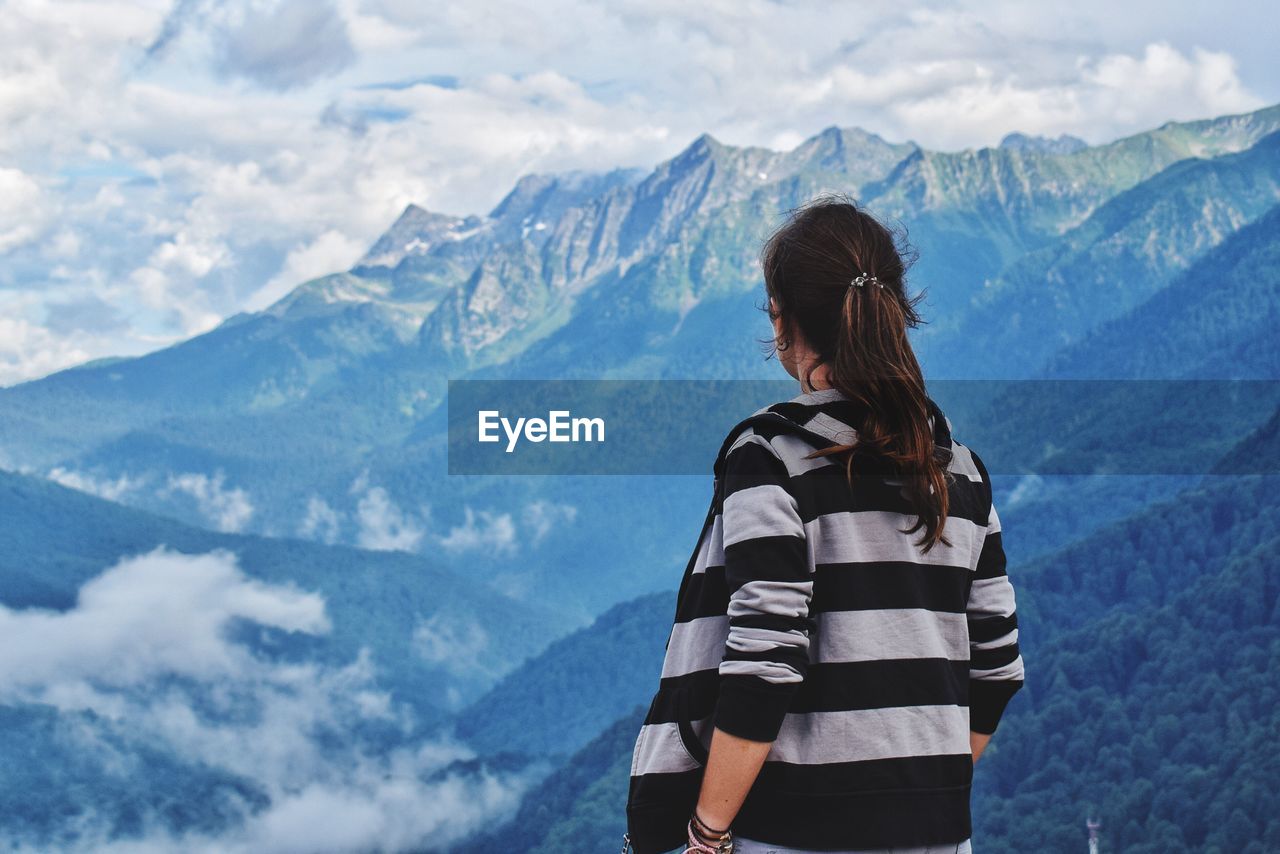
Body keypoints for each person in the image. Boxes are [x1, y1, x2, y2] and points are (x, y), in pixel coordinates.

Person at [625, 194, 1026, 854]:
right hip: (937, 836)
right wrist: (918, 798)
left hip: (789, 834)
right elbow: (999, 668)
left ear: (782, 322)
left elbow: (765, 660)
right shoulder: (959, 470)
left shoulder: (772, 457)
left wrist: (706, 833)